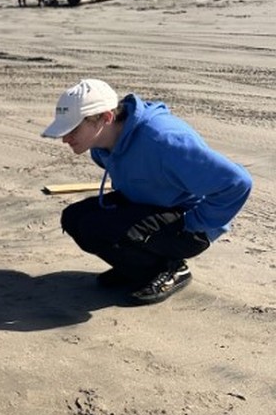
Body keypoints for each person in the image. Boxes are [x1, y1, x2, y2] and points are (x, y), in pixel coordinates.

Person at [41, 78, 253, 304]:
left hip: (187, 221)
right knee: (75, 218)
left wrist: (194, 226)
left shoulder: (164, 141)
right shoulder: (101, 145)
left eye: (73, 128)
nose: (65, 138)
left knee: (98, 227)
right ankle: (136, 268)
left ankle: (171, 269)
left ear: (106, 117)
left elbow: (237, 183)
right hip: (151, 206)